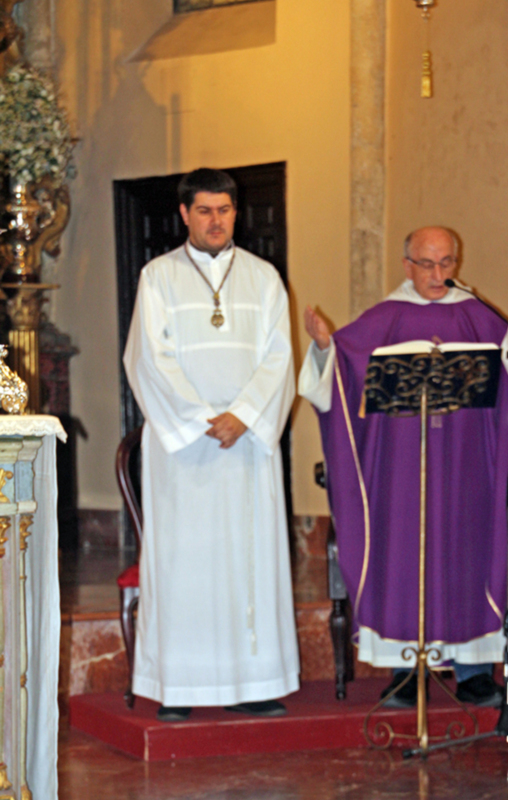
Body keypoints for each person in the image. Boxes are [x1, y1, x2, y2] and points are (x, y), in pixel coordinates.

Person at [299, 226, 508, 708]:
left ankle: (474, 673)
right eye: (428, 264)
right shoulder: (383, 319)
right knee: (402, 559)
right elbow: (340, 379)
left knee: (470, 557)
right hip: (401, 476)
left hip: (469, 471)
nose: (438, 274)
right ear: (407, 265)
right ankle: (405, 673)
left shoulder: (479, 315)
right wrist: (327, 347)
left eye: (447, 263)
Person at [124, 168, 299, 720]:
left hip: (246, 448)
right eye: (204, 211)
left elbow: (279, 357)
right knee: (185, 565)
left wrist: (244, 416)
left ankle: (255, 683)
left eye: (224, 210)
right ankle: (179, 687)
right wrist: (205, 420)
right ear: (184, 214)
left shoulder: (264, 278)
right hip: (184, 451)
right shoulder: (158, 277)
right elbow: (148, 358)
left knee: (250, 561)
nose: (216, 220)